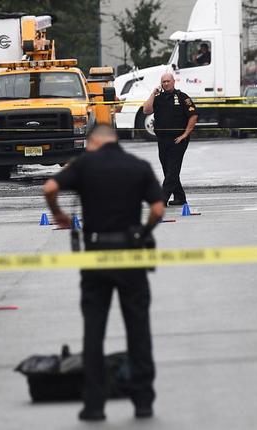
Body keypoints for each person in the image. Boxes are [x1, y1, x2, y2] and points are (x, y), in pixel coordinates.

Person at [43, 125, 165, 422]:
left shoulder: (85, 163)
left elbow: (49, 188)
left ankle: (94, 404)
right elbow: (159, 209)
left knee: (94, 331)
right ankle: (143, 401)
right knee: (138, 328)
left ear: (93, 142)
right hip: (130, 255)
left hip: (96, 255)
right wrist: (143, 232)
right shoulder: (139, 166)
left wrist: (59, 215)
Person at [143, 73, 198, 206]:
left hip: (178, 140)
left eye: (168, 81)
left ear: (174, 82)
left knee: (172, 169)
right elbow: (146, 110)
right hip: (162, 139)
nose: (166, 84)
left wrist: (185, 134)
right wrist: (152, 93)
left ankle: (162, 199)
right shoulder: (158, 97)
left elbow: (193, 116)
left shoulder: (182, 97)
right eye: (163, 82)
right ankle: (180, 197)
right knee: (168, 170)